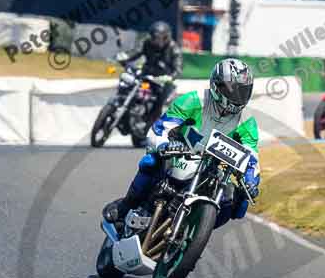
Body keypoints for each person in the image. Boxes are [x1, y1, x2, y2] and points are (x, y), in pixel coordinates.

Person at [104, 58, 261, 232]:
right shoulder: (194, 100)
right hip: (178, 152)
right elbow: (161, 127)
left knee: (237, 202)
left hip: (211, 168)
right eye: (233, 90)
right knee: (150, 161)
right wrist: (164, 145)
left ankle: (192, 236)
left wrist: (251, 181)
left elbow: (251, 155)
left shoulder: (247, 122)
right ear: (217, 85)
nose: (238, 96)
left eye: (243, 91)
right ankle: (126, 205)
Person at [116, 21, 182, 117]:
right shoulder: (147, 42)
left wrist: (171, 77)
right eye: (153, 37)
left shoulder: (173, 48)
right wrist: (125, 56)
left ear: (166, 38)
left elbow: (178, 68)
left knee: (160, 101)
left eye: (159, 38)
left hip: (163, 79)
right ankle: (121, 104)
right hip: (147, 74)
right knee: (128, 85)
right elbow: (136, 52)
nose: (155, 41)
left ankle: (150, 122)